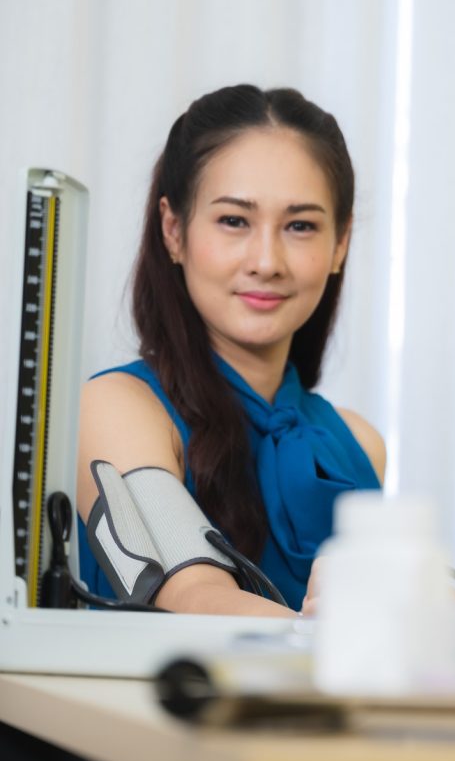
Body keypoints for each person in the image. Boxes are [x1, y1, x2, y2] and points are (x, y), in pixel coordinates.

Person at [75, 84, 385, 617]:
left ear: (340, 244)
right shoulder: (115, 407)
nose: (267, 260)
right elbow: (195, 599)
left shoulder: (358, 443)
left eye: (301, 226)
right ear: (173, 230)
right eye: (234, 220)